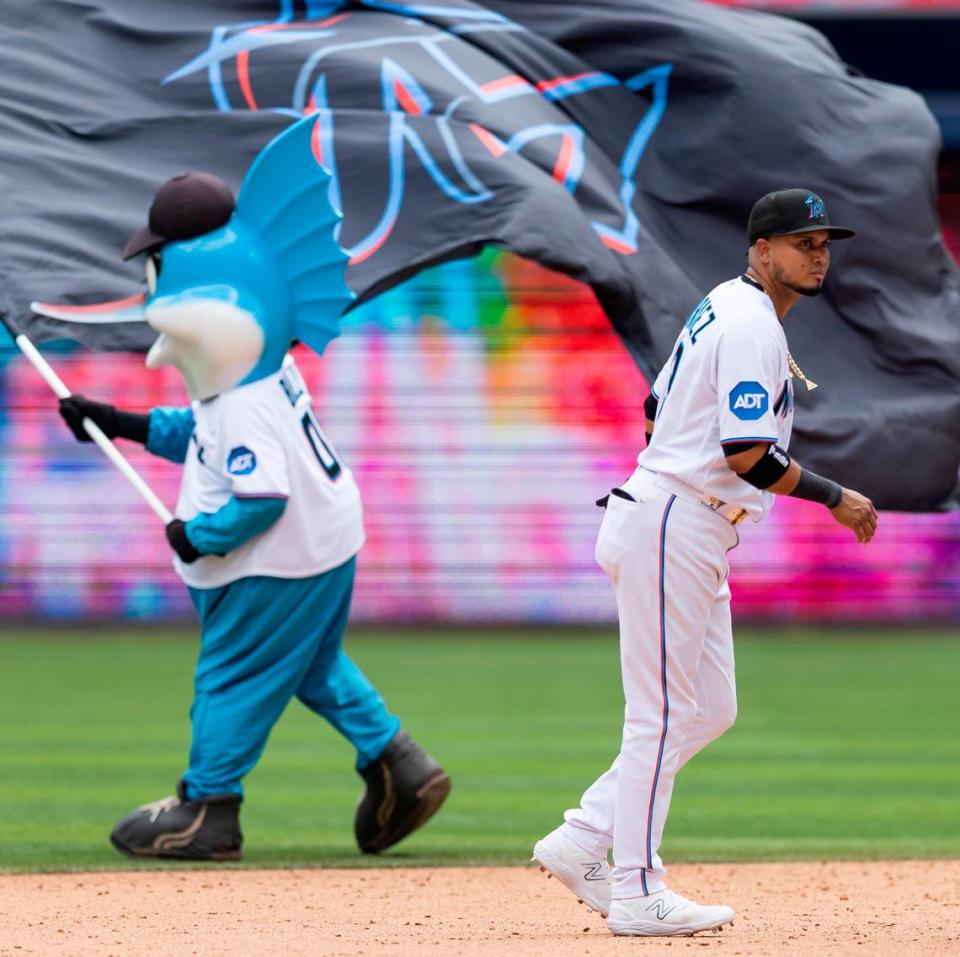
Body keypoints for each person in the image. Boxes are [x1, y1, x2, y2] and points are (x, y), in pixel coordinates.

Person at [56, 124, 451, 861]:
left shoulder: (241, 398)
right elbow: (204, 434)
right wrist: (121, 423)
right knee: (308, 663)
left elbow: (259, 496)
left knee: (233, 673)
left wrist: (195, 535)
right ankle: (398, 760)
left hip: (278, 557)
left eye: (156, 264)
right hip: (325, 543)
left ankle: (208, 808)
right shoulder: (257, 375)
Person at [533, 189, 877, 936]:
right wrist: (836, 496)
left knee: (709, 707)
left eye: (823, 242)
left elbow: (657, 406)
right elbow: (748, 454)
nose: (816, 253)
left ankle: (583, 835)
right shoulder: (751, 323)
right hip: (674, 519)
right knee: (657, 714)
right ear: (761, 250)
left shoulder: (724, 304)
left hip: (683, 520)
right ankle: (636, 887)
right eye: (800, 242)